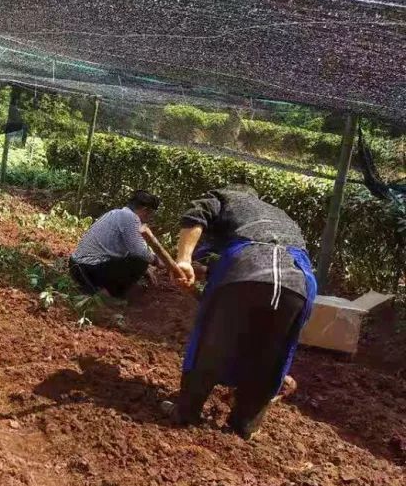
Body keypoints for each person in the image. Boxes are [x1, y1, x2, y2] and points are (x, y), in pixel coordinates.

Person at [166, 185, 316, 439]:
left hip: (247, 266)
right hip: (297, 281)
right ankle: (245, 424)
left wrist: (183, 259)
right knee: (271, 355)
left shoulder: (225, 198)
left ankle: (186, 412)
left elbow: (197, 214)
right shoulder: (278, 216)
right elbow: (244, 260)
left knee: (212, 343)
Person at [69, 190, 161, 297]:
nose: (150, 218)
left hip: (76, 267)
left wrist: (146, 268)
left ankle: (97, 289)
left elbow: (130, 248)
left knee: (139, 260)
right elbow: (140, 252)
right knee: (140, 261)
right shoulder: (131, 218)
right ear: (145, 210)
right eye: (151, 214)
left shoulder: (116, 213)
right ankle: (109, 294)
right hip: (89, 269)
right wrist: (156, 261)